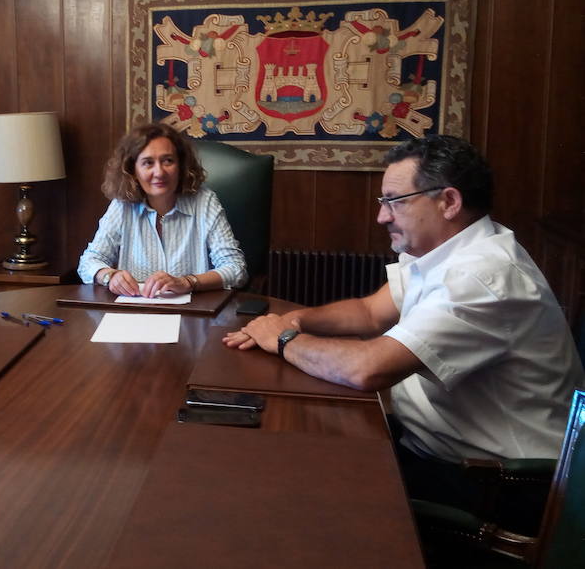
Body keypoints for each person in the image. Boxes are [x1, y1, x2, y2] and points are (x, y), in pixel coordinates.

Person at [224, 134, 584, 515]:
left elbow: (368, 370)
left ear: (448, 201)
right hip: (433, 444)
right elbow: (369, 312)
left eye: (394, 202)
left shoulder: (482, 277)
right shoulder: (445, 247)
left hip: (494, 483)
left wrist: (282, 337)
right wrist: (296, 318)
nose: (382, 216)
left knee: (292, 490)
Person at [78, 123, 247, 297]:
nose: (159, 172)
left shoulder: (205, 202)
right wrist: (110, 276)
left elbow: (236, 268)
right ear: (133, 170)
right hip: (136, 315)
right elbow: (88, 262)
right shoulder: (122, 206)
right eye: (148, 163)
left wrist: (188, 282)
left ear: (181, 166)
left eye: (168, 161)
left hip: (194, 314)